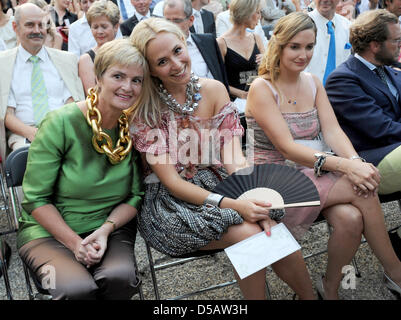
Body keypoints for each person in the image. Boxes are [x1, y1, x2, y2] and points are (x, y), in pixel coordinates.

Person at [130, 17, 317, 300]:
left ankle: (310, 297)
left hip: (220, 183)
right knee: (253, 234)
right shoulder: (145, 110)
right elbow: (172, 183)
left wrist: (250, 195)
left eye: (178, 51)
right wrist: (239, 206)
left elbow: (234, 160)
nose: (177, 64)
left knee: (272, 226)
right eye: (162, 61)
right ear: (151, 70)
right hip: (171, 202)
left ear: (185, 44)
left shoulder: (214, 89)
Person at [246, 11, 401, 299]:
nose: (303, 54)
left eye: (309, 46)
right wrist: (349, 168)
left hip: (314, 170)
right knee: (363, 189)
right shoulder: (261, 88)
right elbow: (287, 148)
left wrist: (355, 162)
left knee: (351, 219)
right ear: (278, 45)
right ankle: (396, 274)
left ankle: (328, 289)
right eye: (295, 46)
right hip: (275, 177)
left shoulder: (314, 82)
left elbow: (332, 132)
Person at [17, 38, 146, 300]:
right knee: (74, 289)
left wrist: (106, 229)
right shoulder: (60, 122)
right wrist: (75, 243)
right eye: (118, 76)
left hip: (109, 227)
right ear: (98, 76)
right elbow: (35, 198)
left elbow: (135, 196)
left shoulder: (132, 127)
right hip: (46, 233)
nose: (127, 87)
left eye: (136, 80)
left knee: (120, 278)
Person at [325, 10, 401, 196]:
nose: (400, 45)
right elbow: (380, 130)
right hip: (368, 162)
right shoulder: (343, 79)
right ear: (375, 45)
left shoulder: (391, 71)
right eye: (396, 41)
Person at [0, 3, 84, 161]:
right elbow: (7, 114)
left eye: (41, 25)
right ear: (15, 27)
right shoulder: (3, 64)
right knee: (37, 157)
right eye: (30, 25)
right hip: (24, 136)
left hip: (63, 130)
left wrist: (56, 132)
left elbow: (72, 105)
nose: (37, 31)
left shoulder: (66, 61)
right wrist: (34, 134)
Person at [163, 0, 229, 91]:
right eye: (167, 21)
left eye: (177, 20)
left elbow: (221, 77)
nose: (170, 26)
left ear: (191, 20)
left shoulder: (208, 42)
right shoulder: (160, 50)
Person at [216, 0, 265, 102]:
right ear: (246, 13)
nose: (260, 17)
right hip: (233, 103)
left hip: (259, 97)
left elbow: (266, 73)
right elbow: (218, 81)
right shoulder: (221, 43)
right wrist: (242, 95)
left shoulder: (256, 38)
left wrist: (265, 62)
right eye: (258, 12)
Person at [78, 0, 120, 95]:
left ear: (116, 27)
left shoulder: (128, 52)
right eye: (95, 27)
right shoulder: (86, 60)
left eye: (104, 27)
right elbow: (93, 96)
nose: (99, 31)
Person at [305, 0, 352, 84]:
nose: (325, 0)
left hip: (339, 91)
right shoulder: (302, 25)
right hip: (307, 90)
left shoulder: (347, 26)